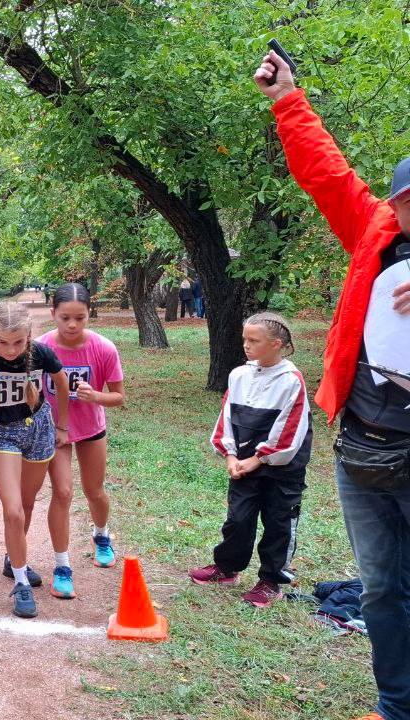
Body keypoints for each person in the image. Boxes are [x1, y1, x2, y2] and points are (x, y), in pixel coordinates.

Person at [259, 50, 410, 720]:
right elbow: (326, 173)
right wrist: (287, 99)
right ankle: (395, 705)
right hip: (363, 448)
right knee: (380, 590)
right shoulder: (375, 231)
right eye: (408, 201)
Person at [191, 312, 312, 609]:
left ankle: (271, 581)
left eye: (254, 340)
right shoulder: (239, 375)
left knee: (279, 523)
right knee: (238, 519)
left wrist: (258, 459)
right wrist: (231, 455)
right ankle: (227, 568)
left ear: (276, 344)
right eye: (245, 339)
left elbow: (290, 430)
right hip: (243, 465)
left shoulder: (291, 381)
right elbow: (226, 418)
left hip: (282, 470)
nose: (246, 345)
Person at [0, 301, 70, 619]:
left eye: (18, 342)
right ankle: (22, 582)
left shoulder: (40, 353)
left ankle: (12, 559)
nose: (11, 350)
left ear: (28, 335)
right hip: (3, 433)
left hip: (39, 428)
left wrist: (62, 425)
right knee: (13, 510)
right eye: (3, 342)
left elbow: (62, 382)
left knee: (26, 504)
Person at [37, 283, 125, 600]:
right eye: (65, 318)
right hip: (55, 432)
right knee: (62, 492)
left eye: (80, 318)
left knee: (94, 491)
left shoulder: (103, 348)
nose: (72, 325)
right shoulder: (41, 347)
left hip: (90, 429)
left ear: (89, 315)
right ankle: (62, 566)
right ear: (53, 314)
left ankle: (101, 535)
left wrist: (96, 396)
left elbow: (119, 396)